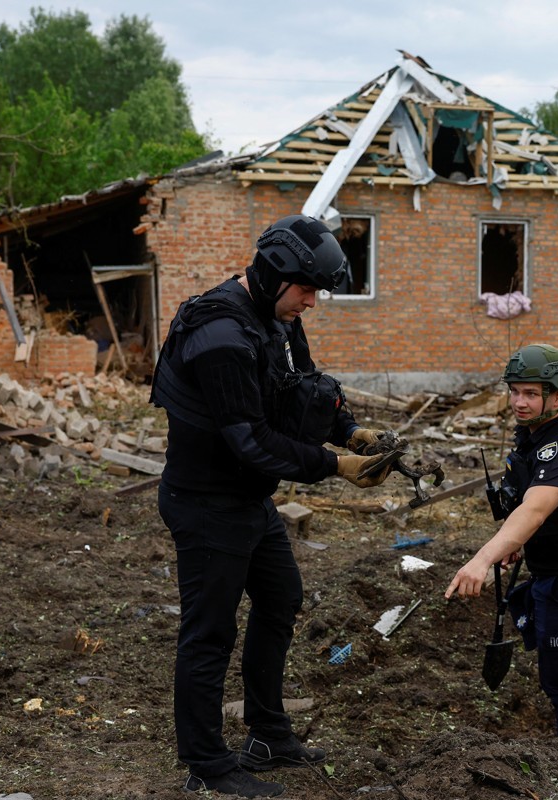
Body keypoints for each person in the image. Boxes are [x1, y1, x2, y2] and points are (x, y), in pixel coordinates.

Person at [151, 214, 394, 797]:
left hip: (245, 500)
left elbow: (303, 388)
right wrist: (337, 466)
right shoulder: (221, 337)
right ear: (274, 275)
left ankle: (266, 733)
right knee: (209, 633)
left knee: (281, 598)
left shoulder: (275, 317)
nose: (313, 302)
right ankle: (206, 766)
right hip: (207, 503)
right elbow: (252, 441)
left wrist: (352, 432)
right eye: (307, 290)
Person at [444, 343, 558, 736]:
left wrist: (482, 559)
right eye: (515, 391)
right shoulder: (534, 438)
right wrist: (518, 542)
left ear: (557, 396)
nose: (519, 402)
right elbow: (535, 511)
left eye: (531, 394)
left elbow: (534, 510)